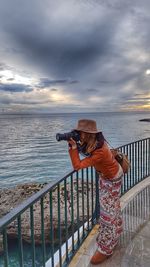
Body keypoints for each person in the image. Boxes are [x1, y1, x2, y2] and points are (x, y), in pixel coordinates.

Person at [68, 119, 123, 265]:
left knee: (107, 213)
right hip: (108, 176)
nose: (79, 134)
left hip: (111, 180)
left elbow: (77, 166)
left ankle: (106, 248)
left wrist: (73, 148)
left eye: (80, 132)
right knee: (112, 208)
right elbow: (86, 152)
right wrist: (75, 144)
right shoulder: (95, 143)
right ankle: (115, 234)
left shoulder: (100, 151)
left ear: (87, 134)